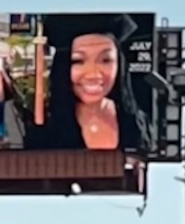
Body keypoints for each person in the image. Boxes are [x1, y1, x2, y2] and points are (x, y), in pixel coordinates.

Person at [23, 13, 151, 152]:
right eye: (78, 61)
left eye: (106, 60)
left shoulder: (138, 123)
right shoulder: (46, 129)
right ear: (63, 68)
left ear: (119, 65)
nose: (93, 74)